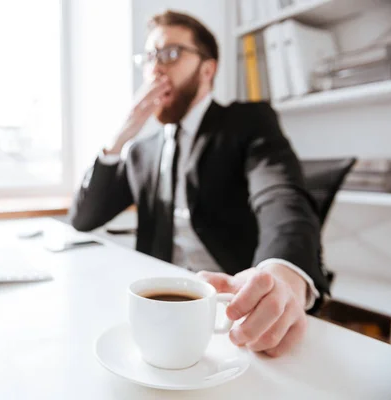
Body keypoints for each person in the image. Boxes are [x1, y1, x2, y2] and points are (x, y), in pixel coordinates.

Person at [70, 10, 330, 357]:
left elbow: (282, 197)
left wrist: (281, 271)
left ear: (207, 69)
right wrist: (121, 135)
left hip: (230, 308)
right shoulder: (142, 151)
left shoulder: (247, 122)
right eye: (149, 57)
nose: (155, 68)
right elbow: (84, 218)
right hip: (161, 310)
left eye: (171, 53)